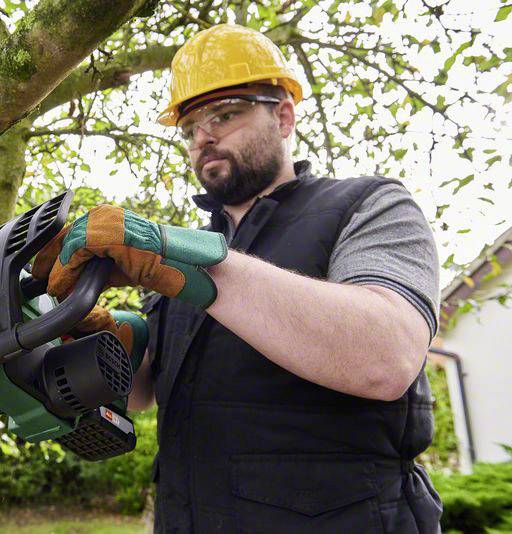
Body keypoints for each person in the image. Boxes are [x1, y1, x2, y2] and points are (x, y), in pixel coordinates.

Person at [32, 24, 443, 533]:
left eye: (224, 115)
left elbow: (386, 356)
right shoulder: (185, 250)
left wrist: (181, 259)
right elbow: (141, 394)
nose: (203, 137)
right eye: (189, 129)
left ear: (284, 116)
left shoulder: (369, 205)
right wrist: (87, 333)